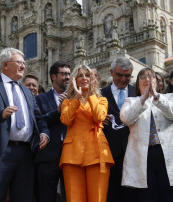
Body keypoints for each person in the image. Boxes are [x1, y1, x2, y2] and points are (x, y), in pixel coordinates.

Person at [0, 47, 49, 202]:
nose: (23, 66)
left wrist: (44, 132)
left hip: (26, 152)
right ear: (5, 65)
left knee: (24, 197)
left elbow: (38, 117)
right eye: (19, 63)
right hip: (0, 152)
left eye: (24, 63)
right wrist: (0, 114)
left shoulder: (27, 91)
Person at [59, 64, 114, 202]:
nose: (84, 78)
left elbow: (99, 117)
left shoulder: (101, 100)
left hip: (97, 153)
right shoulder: (67, 102)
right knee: (74, 198)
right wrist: (77, 97)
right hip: (72, 154)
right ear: (74, 80)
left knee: (98, 198)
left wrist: (89, 94)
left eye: (87, 75)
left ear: (92, 79)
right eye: (80, 75)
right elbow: (66, 120)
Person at [120, 67, 173, 201]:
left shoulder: (168, 98)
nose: (147, 79)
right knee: (148, 197)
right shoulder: (130, 101)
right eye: (142, 77)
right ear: (137, 83)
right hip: (143, 157)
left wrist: (156, 96)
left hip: (165, 154)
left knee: (168, 194)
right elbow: (126, 118)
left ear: (157, 81)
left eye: (151, 76)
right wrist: (143, 98)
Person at [101, 57, 137, 202]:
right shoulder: (100, 94)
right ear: (111, 72)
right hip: (110, 153)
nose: (123, 79)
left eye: (127, 76)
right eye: (119, 75)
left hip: (134, 153)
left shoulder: (137, 93)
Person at [35, 61, 70, 202]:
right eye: (64, 74)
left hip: (70, 155)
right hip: (48, 156)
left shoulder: (76, 98)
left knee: (71, 196)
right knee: (46, 196)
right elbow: (39, 122)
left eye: (69, 74)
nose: (67, 77)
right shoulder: (39, 99)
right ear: (53, 77)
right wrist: (58, 111)